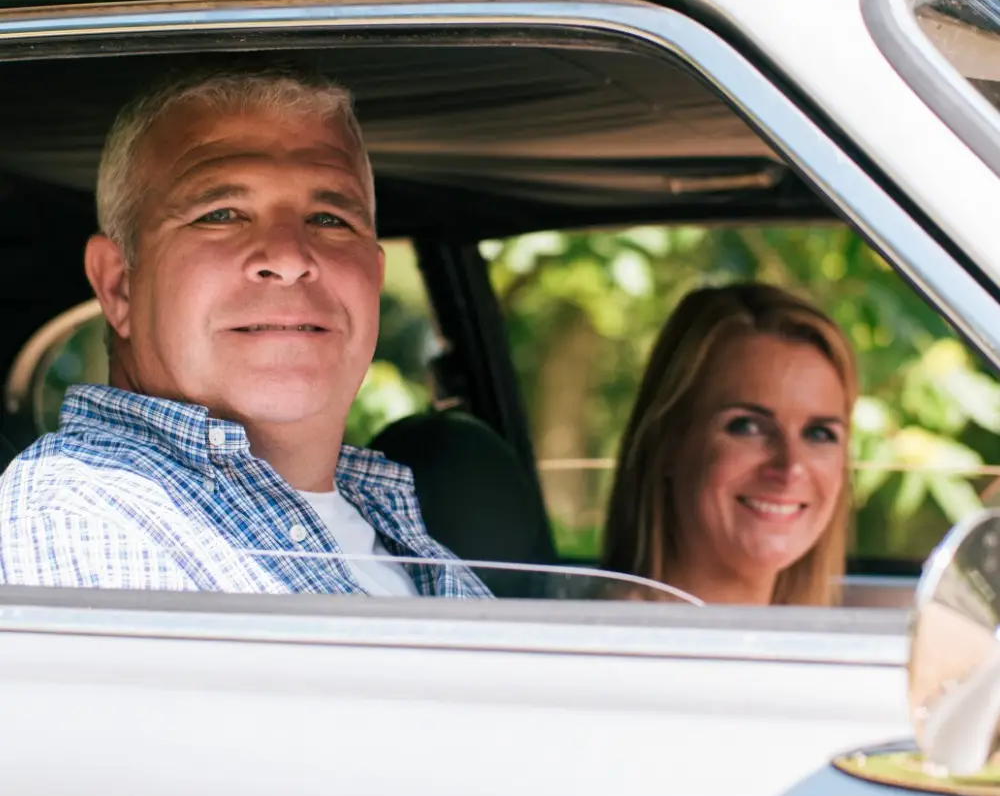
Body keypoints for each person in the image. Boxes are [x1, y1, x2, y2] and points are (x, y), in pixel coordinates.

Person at [0, 66, 490, 598]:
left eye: (330, 219)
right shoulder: (83, 525)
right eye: (222, 214)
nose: (289, 259)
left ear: (373, 278)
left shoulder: (392, 532)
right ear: (119, 286)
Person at [603, 283, 857, 606]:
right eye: (747, 427)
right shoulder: (609, 633)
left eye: (819, 434)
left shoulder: (813, 631)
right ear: (667, 443)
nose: (791, 467)